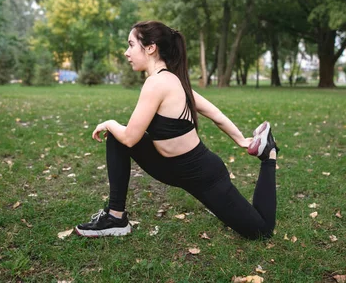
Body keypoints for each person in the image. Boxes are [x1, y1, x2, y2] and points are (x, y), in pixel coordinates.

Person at [75, 21, 279, 240]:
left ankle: (269, 156)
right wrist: (241, 140)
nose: (127, 52)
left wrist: (109, 123)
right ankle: (115, 217)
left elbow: (131, 137)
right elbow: (215, 114)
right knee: (116, 138)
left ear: (151, 48)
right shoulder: (172, 81)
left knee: (261, 231)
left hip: (203, 175)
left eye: (131, 45)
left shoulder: (158, 83)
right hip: (170, 167)